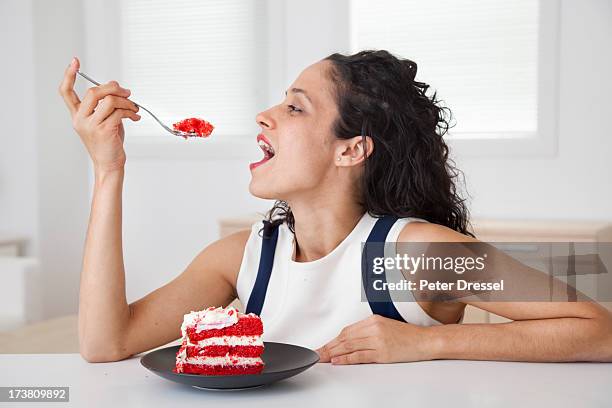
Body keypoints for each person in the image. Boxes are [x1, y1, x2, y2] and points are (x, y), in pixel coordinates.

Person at [59, 50, 612, 364]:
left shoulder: (417, 254)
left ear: (352, 148)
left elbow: (598, 330)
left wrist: (429, 342)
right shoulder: (243, 257)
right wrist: (109, 171)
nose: (264, 116)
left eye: (295, 108)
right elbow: (106, 344)